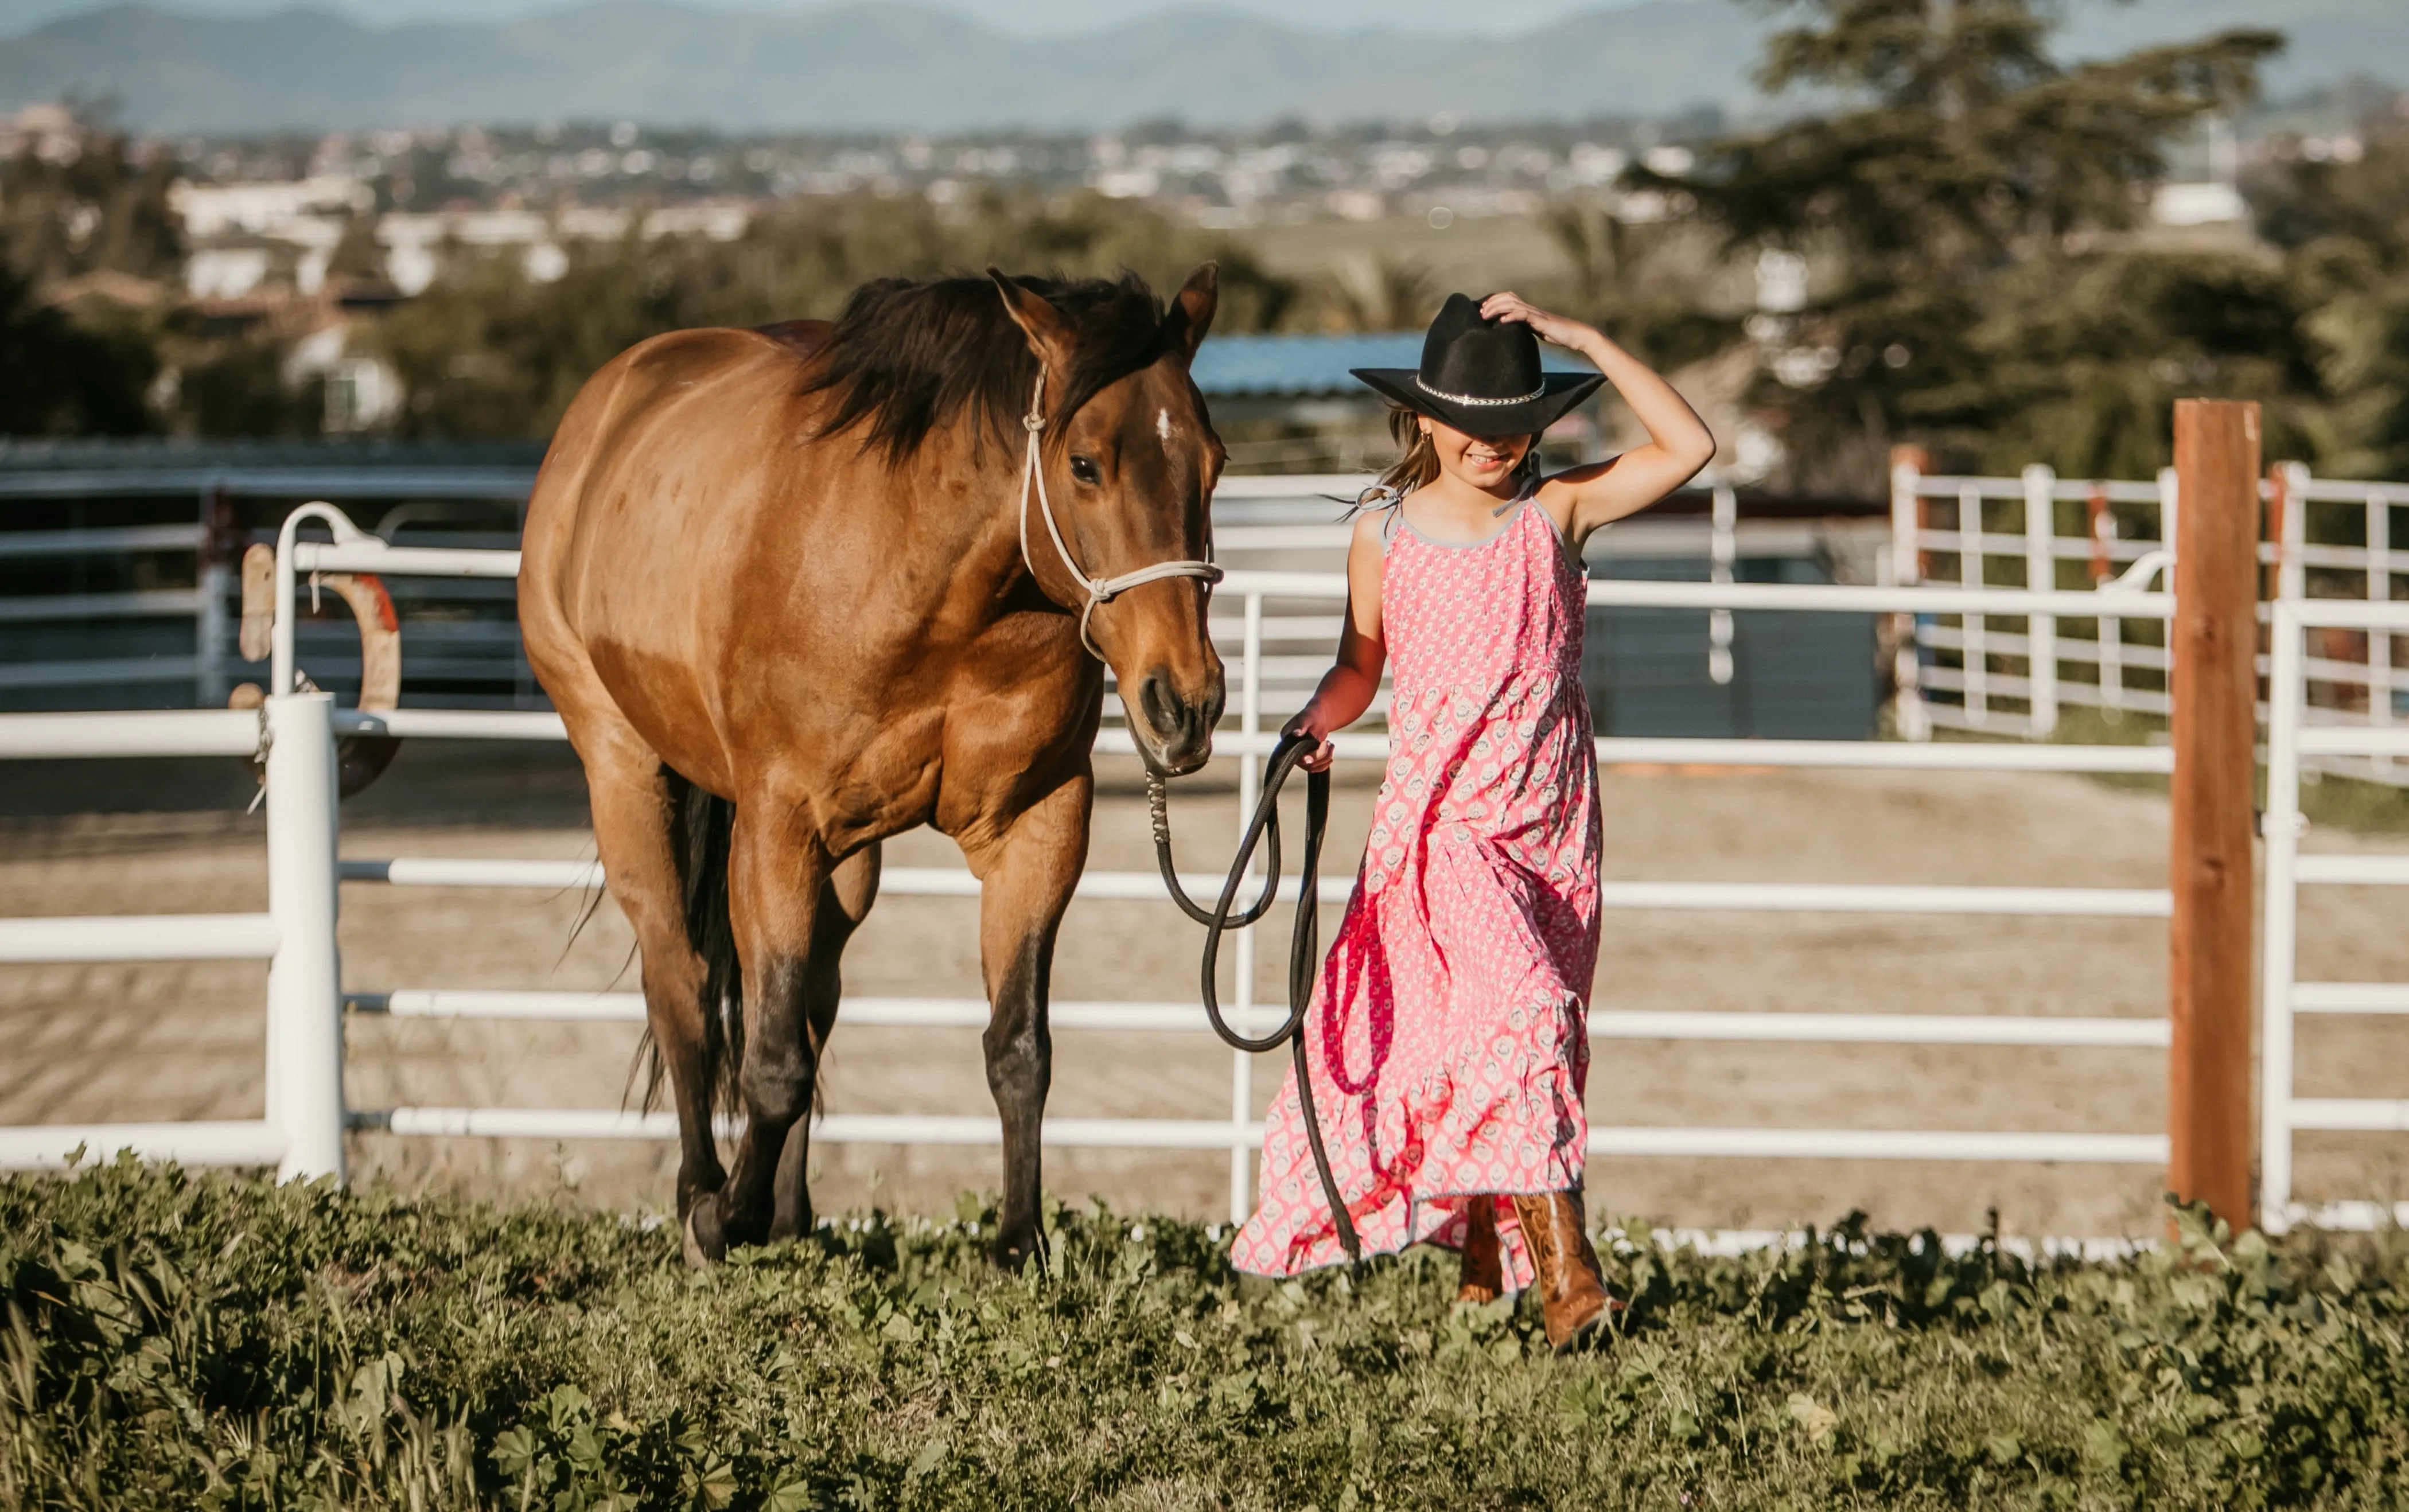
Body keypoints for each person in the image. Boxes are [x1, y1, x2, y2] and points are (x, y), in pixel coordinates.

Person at [1228, 290, 1714, 1350]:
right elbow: (1362, 666)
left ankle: (1489, 1252)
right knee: (1525, 1013)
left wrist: (1584, 335)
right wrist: (1318, 718)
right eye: (1473, 422)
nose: (1494, 442)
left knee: (1518, 1040)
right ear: (1425, 420)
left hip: (1551, 827)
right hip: (1440, 827)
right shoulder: (1383, 536)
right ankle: (1573, 1287)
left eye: (1516, 422)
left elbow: (1690, 443)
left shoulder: (1558, 515)